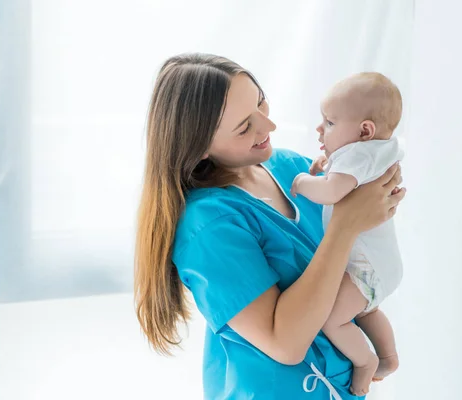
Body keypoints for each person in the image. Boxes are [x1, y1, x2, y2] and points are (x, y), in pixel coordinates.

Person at [134, 53, 405, 399]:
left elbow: (361, 210)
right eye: (245, 126)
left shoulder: (290, 166)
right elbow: (285, 343)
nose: (269, 126)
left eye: (261, 104)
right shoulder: (209, 226)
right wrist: (346, 225)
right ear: (199, 148)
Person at [291, 72, 405, 396]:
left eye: (328, 123)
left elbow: (332, 191)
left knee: (333, 320)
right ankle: (389, 357)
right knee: (367, 309)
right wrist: (329, 159)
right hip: (380, 265)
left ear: (364, 130)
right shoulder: (381, 149)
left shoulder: (360, 154)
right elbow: (349, 168)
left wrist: (301, 181)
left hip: (363, 267)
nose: (319, 129)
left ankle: (366, 361)